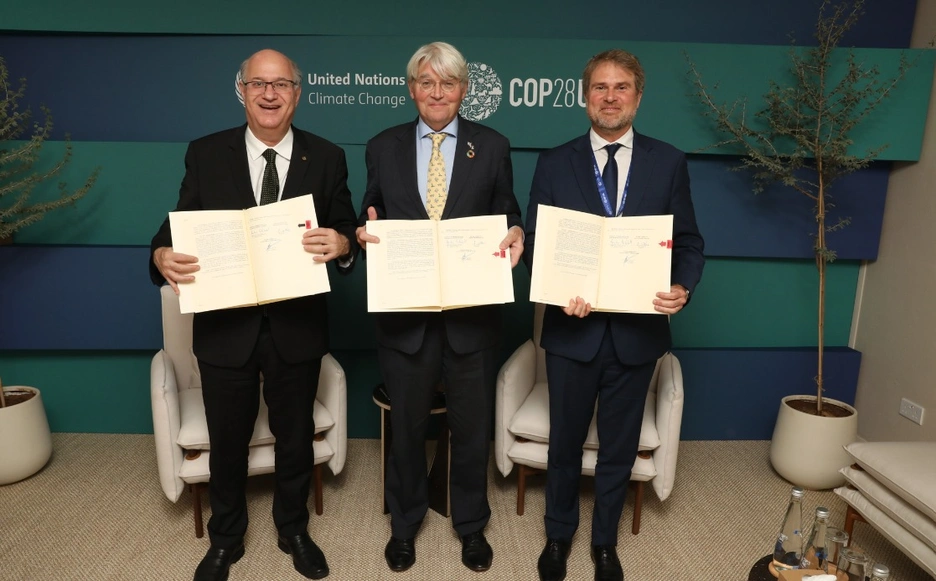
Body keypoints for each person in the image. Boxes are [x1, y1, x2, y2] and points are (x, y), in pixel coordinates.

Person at [149, 49, 358, 581]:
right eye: (258, 84)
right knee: (227, 439)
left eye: (281, 84)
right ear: (241, 91)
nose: (269, 94)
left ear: (297, 93)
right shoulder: (205, 153)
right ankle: (226, 538)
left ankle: (293, 529)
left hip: (296, 327)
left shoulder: (327, 156)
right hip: (225, 327)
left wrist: (341, 244)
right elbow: (175, 229)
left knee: (295, 437)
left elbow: (346, 227)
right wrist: (160, 255)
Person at [523, 49, 705, 581]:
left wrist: (682, 287)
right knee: (564, 444)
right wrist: (559, 289)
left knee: (618, 449)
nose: (609, 97)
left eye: (620, 87)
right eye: (599, 87)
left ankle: (605, 543)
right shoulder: (554, 162)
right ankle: (558, 536)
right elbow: (535, 241)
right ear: (585, 97)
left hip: (636, 334)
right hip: (571, 330)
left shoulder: (668, 162)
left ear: (638, 97)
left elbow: (689, 242)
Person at [355, 41, 524, 574]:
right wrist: (364, 230)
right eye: (426, 82)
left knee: (472, 430)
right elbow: (371, 207)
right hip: (404, 316)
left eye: (447, 83)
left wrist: (516, 231)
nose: (436, 93)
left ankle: (470, 525)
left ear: (463, 90)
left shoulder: (492, 146)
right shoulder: (382, 146)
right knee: (406, 429)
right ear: (411, 89)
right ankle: (404, 526)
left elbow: (507, 209)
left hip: (471, 318)